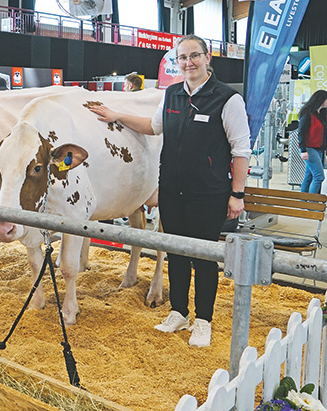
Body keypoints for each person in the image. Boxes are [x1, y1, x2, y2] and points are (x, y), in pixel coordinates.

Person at [87, 34, 250, 348]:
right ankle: (179, 312)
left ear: (207, 58)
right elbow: (154, 126)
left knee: (203, 256)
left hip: (209, 192)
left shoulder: (228, 99)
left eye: (194, 56)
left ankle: (203, 319)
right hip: (172, 191)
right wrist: (118, 116)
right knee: (175, 252)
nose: (188, 63)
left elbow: (241, 150)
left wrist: (237, 194)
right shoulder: (173, 94)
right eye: (182, 58)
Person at [297, 89, 327, 194]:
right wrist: (303, 150)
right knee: (319, 176)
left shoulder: (320, 114)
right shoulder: (308, 114)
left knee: (309, 176)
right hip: (309, 148)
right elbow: (301, 132)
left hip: (318, 149)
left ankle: (304, 201)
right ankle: (312, 205)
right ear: (321, 100)